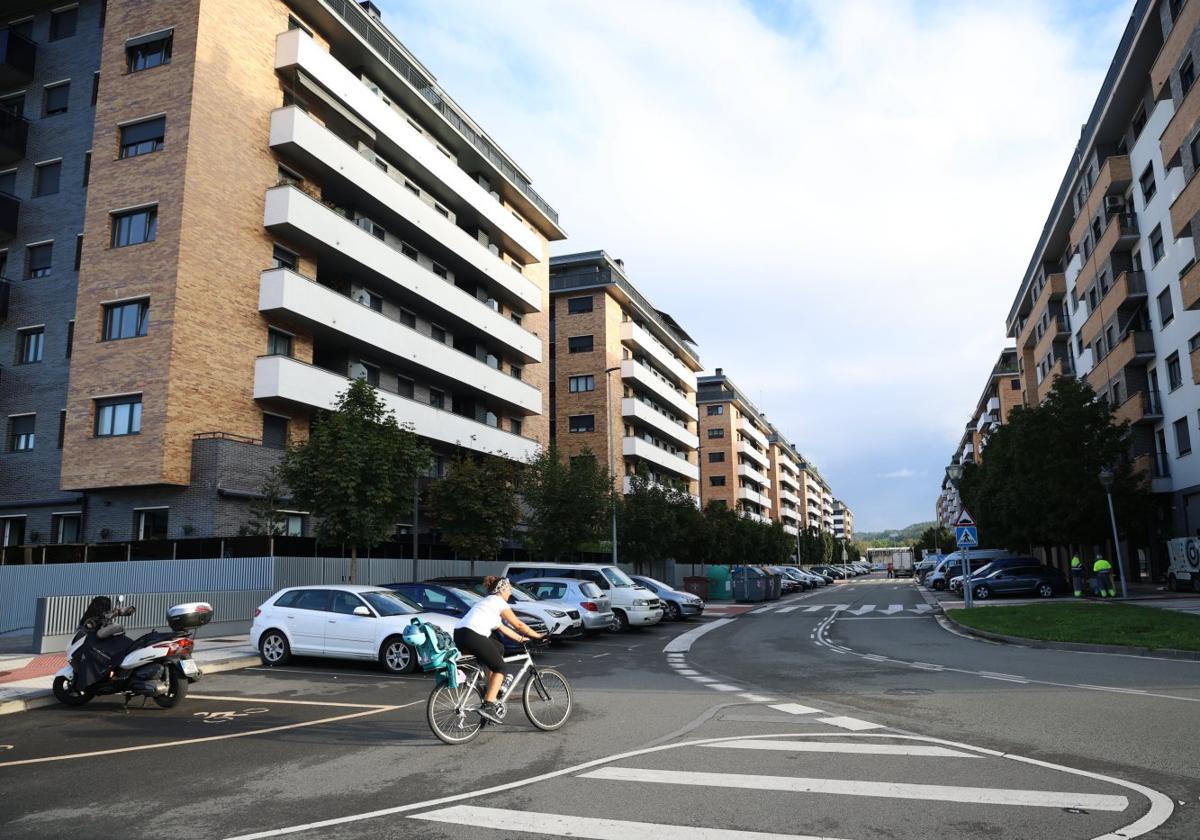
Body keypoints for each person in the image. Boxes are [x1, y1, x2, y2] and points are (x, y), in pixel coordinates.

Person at [453, 576, 544, 723]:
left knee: (499, 648)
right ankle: (488, 706)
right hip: (472, 635)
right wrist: (538, 636)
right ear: (501, 590)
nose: (510, 593)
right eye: (509, 590)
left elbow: (504, 629)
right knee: (500, 667)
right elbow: (518, 624)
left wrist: (522, 640)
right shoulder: (498, 602)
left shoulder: (487, 603)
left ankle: (491, 691)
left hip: (460, 634)